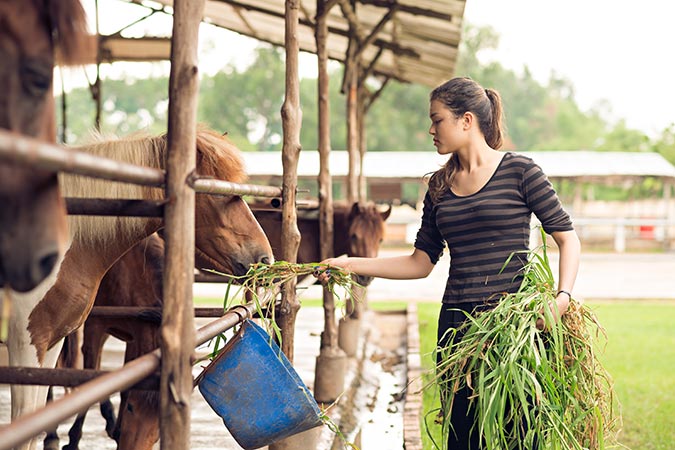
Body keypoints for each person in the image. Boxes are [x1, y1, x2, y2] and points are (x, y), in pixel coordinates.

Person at [315, 76, 581, 449]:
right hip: (457, 327)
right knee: (462, 435)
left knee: (519, 436)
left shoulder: (521, 171)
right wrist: (353, 264)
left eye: (437, 120)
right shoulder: (438, 186)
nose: (431, 129)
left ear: (466, 120)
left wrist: (562, 297)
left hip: (515, 325)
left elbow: (567, 237)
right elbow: (421, 261)